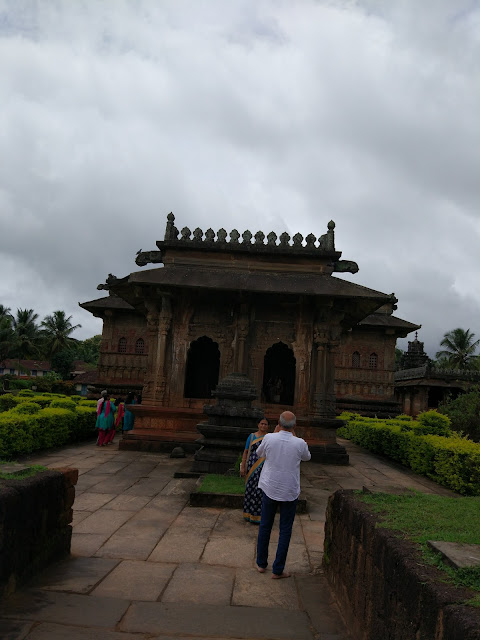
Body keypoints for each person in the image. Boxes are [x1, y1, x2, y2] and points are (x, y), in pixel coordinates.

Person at [255, 411, 311, 579]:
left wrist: (275, 433)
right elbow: (307, 457)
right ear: (294, 426)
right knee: (285, 530)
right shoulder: (300, 443)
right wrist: (293, 435)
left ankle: (261, 564)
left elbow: (259, 453)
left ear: (278, 424)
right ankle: (278, 570)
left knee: (265, 525)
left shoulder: (270, 438)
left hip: (270, 487)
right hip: (289, 491)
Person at [240, 418, 269, 524]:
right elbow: (246, 451)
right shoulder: (252, 436)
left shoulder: (269, 438)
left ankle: (258, 516)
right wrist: (243, 466)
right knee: (250, 490)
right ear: (258, 425)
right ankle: (248, 514)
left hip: (264, 467)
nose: (263, 426)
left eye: (265, 424)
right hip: (251, 466)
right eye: (262, 423)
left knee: (260, 492)